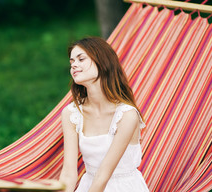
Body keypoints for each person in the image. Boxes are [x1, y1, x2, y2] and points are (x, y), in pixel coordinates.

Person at [59, 37, 149, 192]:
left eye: (81, 59)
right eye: (72, 61)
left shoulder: (127, 115)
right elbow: (68, 173)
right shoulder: (71, 114)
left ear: (102, 62)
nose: (74, 65)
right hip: (89, 185)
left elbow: (103, 175)